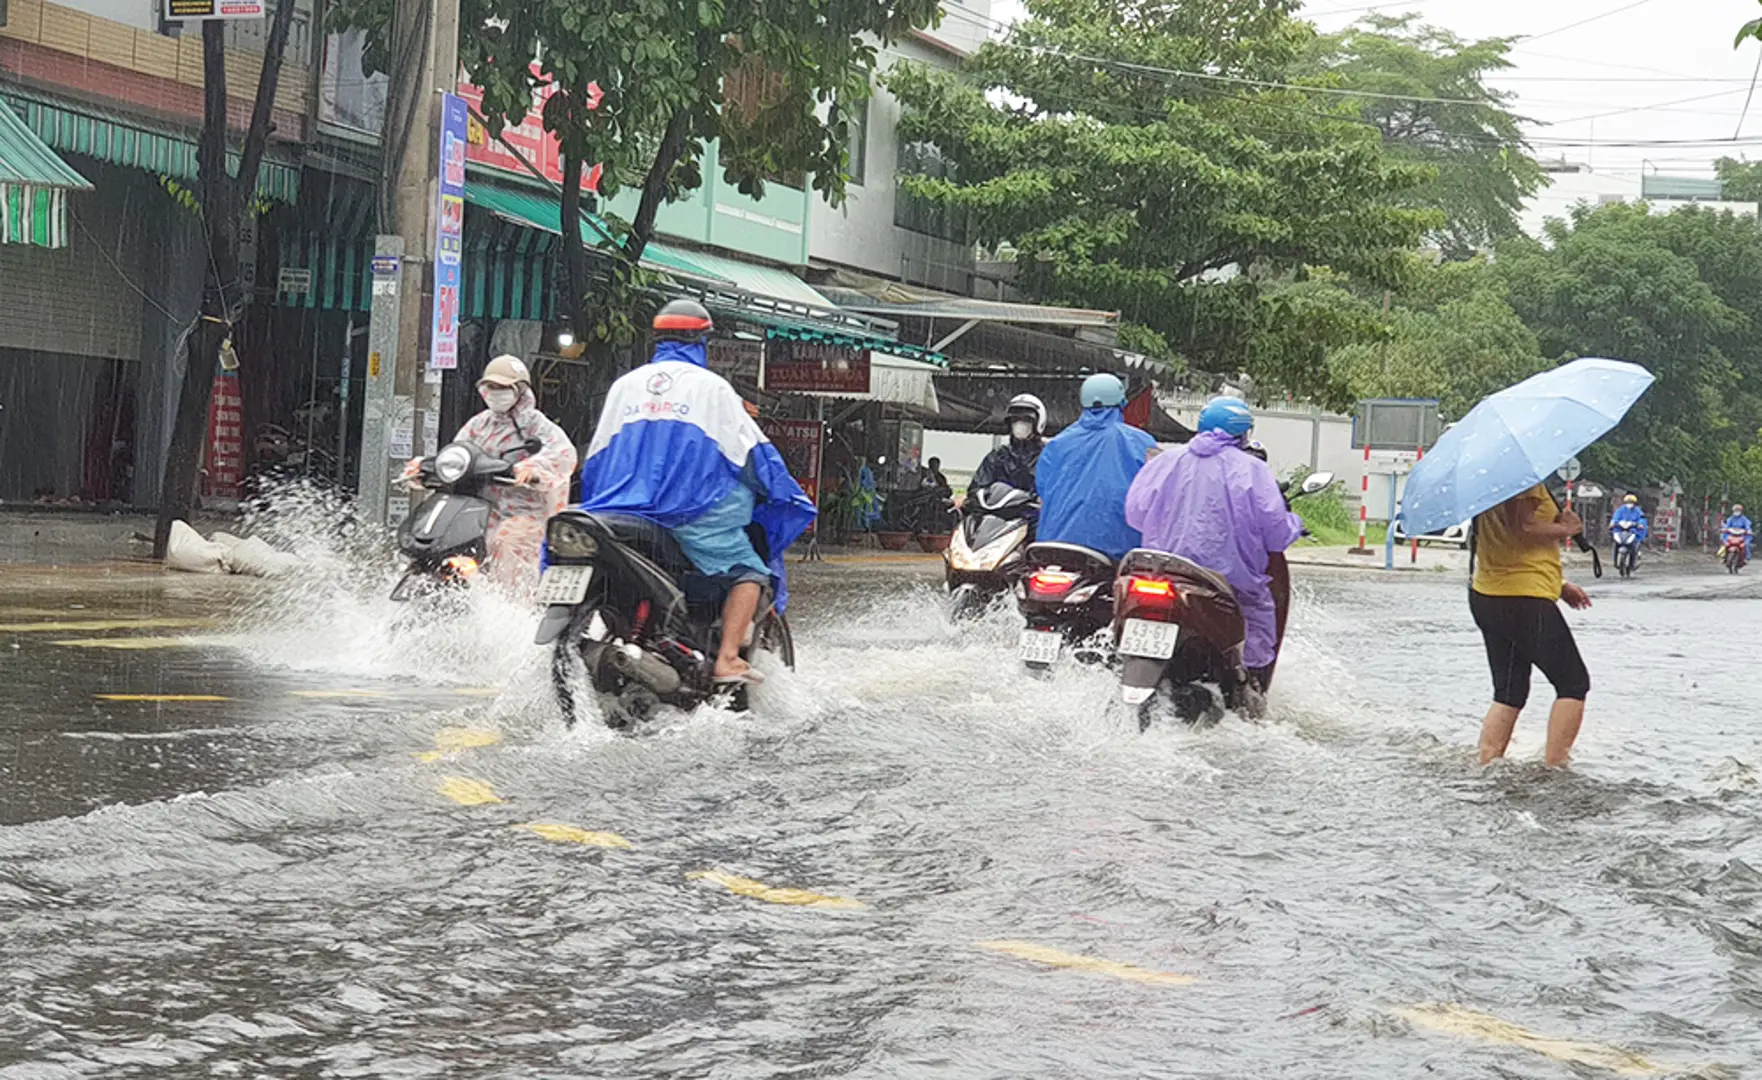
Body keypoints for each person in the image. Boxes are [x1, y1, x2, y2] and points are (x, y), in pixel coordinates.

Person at [577, 299, 815, 684]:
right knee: (750, 571)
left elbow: (597, 457)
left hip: (616, 512)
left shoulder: (624, 386)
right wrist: (782, 492)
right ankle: (726, 660)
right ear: (702, 340)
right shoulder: (713, 389)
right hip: (687, 515)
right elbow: (753, 455)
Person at [1124, 397, 1304, 684]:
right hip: (1229, 581)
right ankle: (1250, 688)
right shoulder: (1252, 469)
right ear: (1243, 433)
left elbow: (1134, 515)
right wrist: (1295, 525)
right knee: (1258, 617)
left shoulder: (1165, 461)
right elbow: (1276, 535)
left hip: (1162, 571)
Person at [427, 355, 578, 594]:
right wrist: (427, 467)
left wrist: (533, 469)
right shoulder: (479, 425)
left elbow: (563, 455)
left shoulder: (537, 426)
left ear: (519, 390)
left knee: (506, 542)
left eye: (503, 388)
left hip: (526, 513)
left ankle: (512, 606)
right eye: (491, 387)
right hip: (481, 510)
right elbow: (459, 452)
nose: (496, 392)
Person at [1469, 484, 1594, 768]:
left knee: (1509, 691)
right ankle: (1555, 768)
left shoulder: (1487, 483)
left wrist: (1558, 585)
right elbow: (1524, 527)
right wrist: (1567, 529)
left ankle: (1487, 764)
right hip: (1524, 598)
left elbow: (1505, 542)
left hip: (1488, 594)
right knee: (1573, 682)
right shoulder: (1522, 480)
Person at [1035, 374, 1155, 561]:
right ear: (1121, 402)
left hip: (1054, 549)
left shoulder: (1057, 444)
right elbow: (1155, 497)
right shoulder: (1142, 442)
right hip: (1118, 554)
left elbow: (1042, 491)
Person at [969, 393, 1047, 498]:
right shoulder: (997, 456)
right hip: (998, 512)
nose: (1020, 425)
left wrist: (1032, 499)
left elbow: (1058, 492)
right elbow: (976, 489)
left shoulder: (1048, 457)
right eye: (1015, 420)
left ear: (1038, 423)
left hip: (1035, 513)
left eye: (1026, 420)